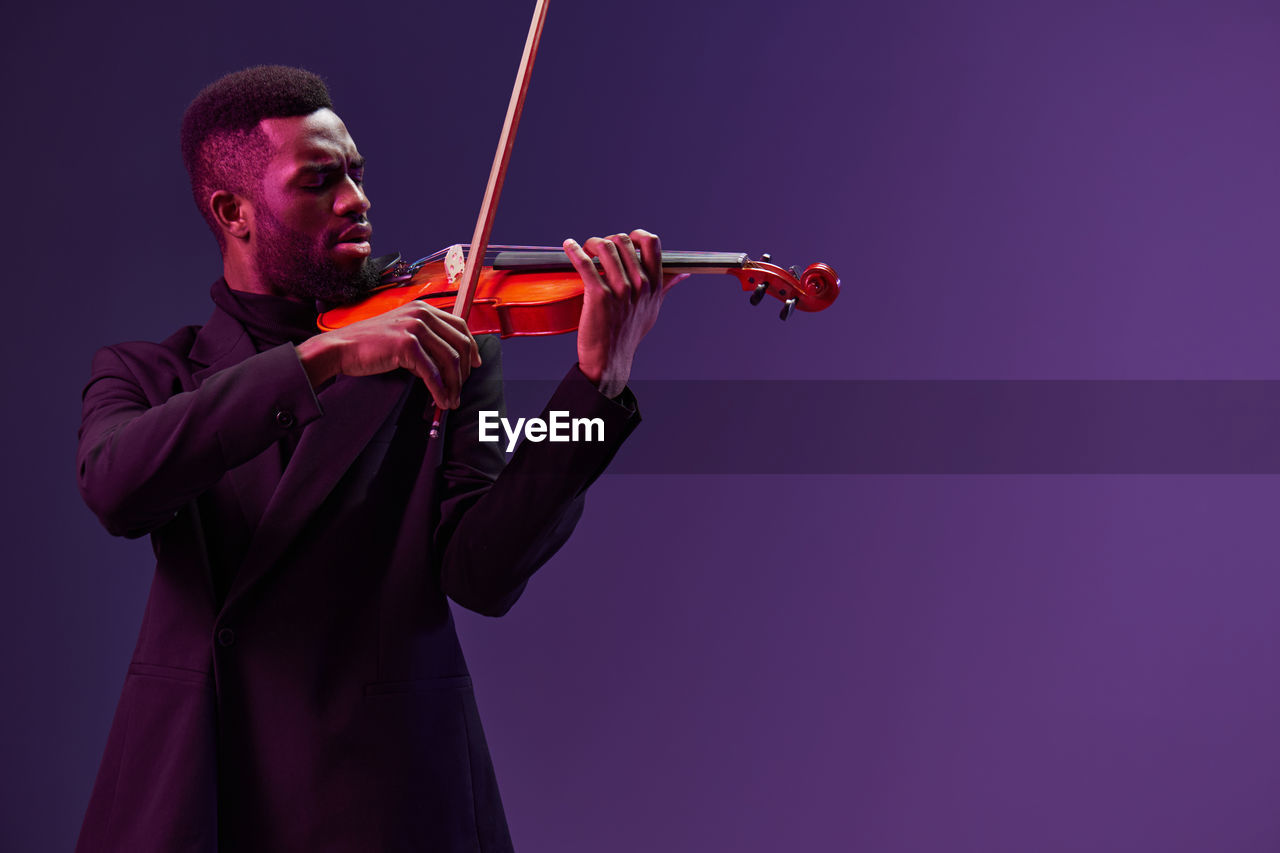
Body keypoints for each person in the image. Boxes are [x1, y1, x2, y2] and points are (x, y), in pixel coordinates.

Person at [75, 65, 680, 852]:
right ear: (234, 212)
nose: (356, 199)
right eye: (319, 180)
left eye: (356, 173)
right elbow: (115, 485)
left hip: (386, 791)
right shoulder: (150, 372)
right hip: (202, 784)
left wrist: (596, 390)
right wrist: (320, 359)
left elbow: (483, 571)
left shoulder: (443, 342)